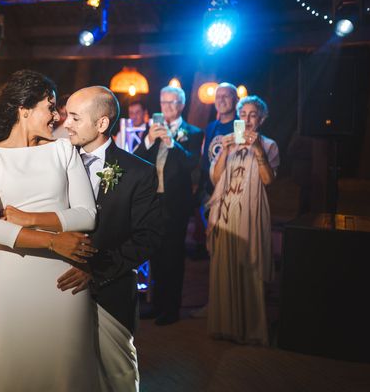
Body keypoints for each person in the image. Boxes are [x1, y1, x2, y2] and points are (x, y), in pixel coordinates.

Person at [0, 70, 101, 391]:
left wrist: (28, 218)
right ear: (24, 109)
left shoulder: (63, 150)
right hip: (10, 282)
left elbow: (87, 215)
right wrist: (54, 243)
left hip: (63, 283)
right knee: (10, 372)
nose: (57, 116)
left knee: (66, 371)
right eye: (51, 107)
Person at [57, 86, 163, 391]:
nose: (67, 123)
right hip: (58, 290)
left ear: (102, 124)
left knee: (117, 376)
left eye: (75, 117)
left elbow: (148, 237)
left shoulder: (138, 172)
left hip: (110, 292)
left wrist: (95, 269)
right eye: (66, 115)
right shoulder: (56, 164)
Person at [206, 95, 279, 346]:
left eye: (253, 115)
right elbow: (216, 179)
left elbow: (269, 180)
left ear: (262, 119)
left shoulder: (269, 145)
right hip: (227, 211)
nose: (247, 119)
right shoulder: (230, 144)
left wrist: (257, 149)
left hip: (251, 211)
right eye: (244, 114)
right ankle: (226, 326)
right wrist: (226, 149)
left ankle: (253, 329)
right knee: (225, 267)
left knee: (250, 265)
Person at [134, 85, 203, 326]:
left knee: (173, 256)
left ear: (182, 105)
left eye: (172, 102)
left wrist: (173, 142)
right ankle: (157, 304)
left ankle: (172, 308)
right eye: (163, 102)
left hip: (176, 203)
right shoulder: (150, 129)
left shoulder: (193, 132)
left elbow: (191, 164)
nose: (167, 107)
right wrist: (150, 139)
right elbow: (137, 159)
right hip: (153, 202)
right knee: (156, 254)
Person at [193, 82, 239, 260]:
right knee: (212, 239)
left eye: (226, 96)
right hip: (209, 190)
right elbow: (206, 159)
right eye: (218, 96)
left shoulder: (239, 126)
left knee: (228, 240)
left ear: (235, 100)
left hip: (230, 191)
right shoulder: (211, 126)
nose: (221, 99)